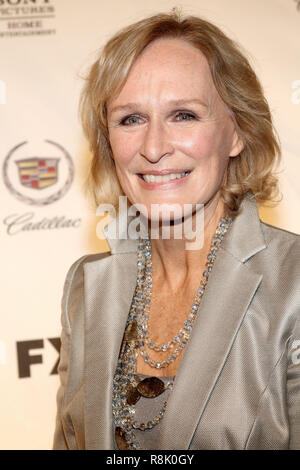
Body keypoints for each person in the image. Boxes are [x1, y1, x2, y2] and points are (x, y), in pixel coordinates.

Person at [53, 10, 300, 450]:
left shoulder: (293, 285)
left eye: (183, 115)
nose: (153, 147)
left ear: (238, 131)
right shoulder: (85, 287)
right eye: (131, 119)